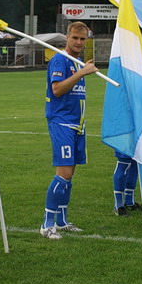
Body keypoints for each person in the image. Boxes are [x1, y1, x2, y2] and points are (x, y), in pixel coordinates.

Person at [40, 21, 98, 239]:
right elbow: (57, 90)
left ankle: (62, 221)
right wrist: (81, 73)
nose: (79, 42)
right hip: (62, 122)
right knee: (63, 174)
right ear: (67, 37)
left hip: (77, 124)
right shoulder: (60, 59)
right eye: (75, 38)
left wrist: (81, 70)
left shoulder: (78, 61)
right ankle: (47, 224)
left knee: (70, 175)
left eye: (83, 39)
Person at [111, 150, 140, 216]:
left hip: (137, 140)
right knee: (123, 163)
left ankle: (129, 202)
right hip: (124, 140)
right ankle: (118, 206)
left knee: (134, 164)